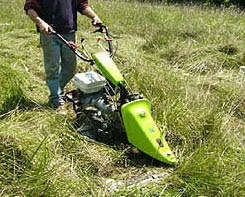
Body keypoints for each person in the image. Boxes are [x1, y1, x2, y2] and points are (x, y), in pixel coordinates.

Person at [24, 0, 102, 108]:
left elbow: (82, 5)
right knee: (52, 67)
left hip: (69, 32)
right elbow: (29, 8)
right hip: (49, 33)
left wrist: (94, 17)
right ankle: (56, 100)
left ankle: (57, 90)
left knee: (70, 68)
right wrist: (40, 22)